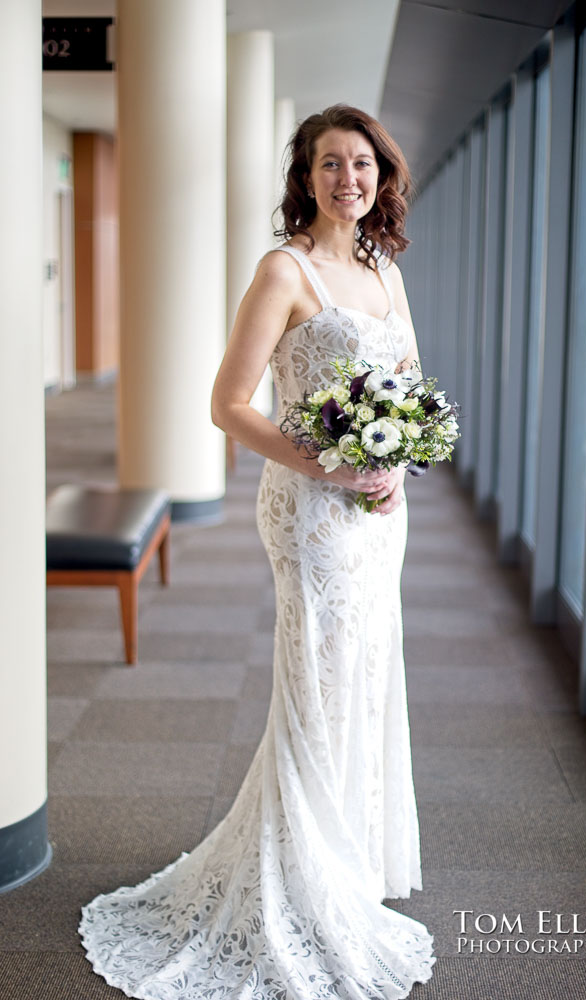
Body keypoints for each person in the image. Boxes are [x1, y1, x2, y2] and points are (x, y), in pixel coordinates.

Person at [78, 104, 436, 999]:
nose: (347, 179)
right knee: (315, 682)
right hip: (311, 513)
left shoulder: (383, 268)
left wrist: (396, 462)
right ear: (304, 177)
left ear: (381, 178)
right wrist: (333, 462)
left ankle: (344, 863)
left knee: (362, 674)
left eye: (362, 164)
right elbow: (229, 405)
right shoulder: (285, 271)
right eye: (329, 165)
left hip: (377, 512)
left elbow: (410, 388)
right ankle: (302, 888)